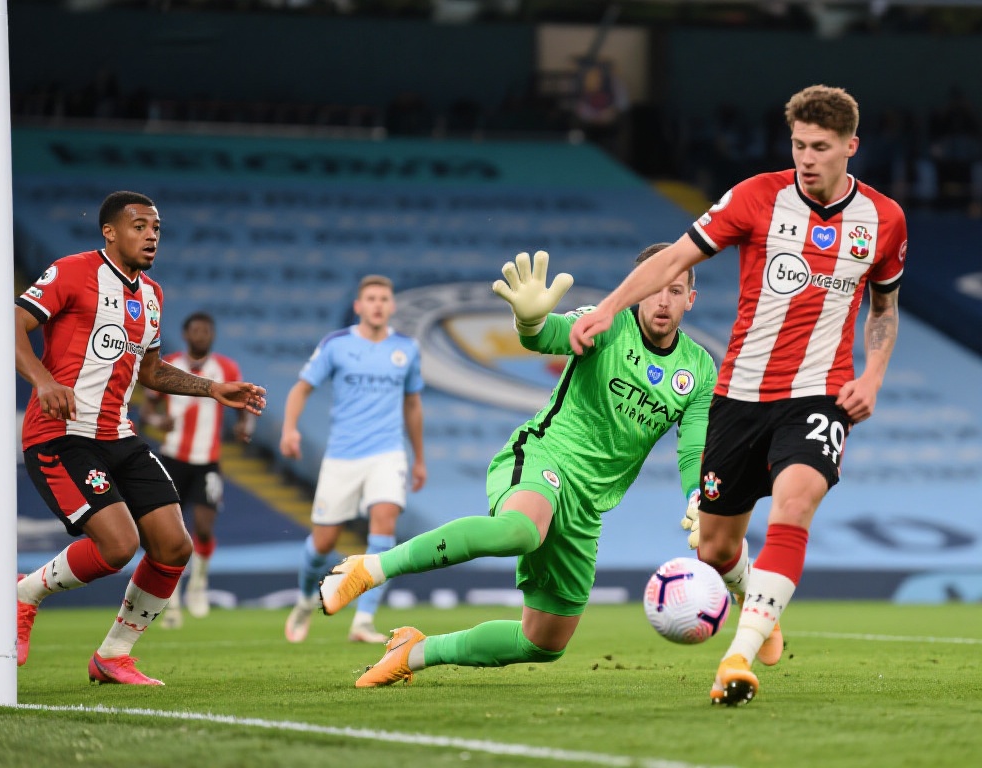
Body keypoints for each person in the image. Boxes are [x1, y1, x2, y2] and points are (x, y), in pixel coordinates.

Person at [569, 85, 907, 705]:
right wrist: (609, 308)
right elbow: (674, 258)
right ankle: (762, 606)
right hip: (740, 395)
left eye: (820, 147)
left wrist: (873, 377)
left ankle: (737, 657)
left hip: (820, 394)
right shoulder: (756, 196)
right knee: (716, 546)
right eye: (799, 145)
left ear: (851, 146)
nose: (807, 157)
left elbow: (883, 309)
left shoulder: (885, 220)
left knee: (795, 503)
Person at [318, 246, 716, 688]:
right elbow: (550, 337)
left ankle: (414, 651)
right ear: (637, 290)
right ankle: (370, 568)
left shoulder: (699, 369)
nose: (663, 300)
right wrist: (531, 323)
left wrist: (697, 496)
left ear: (690, 299)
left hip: (587, 504)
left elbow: (692, 447)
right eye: (654, 288)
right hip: (545, 456)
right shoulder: (608, 323)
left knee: (543, 643)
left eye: (675, 290)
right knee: (521, 530)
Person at [15, 190, 266, 685]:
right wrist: (44, 381)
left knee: (174, 546)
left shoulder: (152, 295)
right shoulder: (72, 271)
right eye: (139, 226)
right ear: (109, 232)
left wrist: (212, 389)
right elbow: (12, 324)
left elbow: (151, 371)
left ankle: (113, 656)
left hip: (119, 435)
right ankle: (24, 594)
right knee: (118, 546)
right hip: (62, 435)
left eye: (156, 228)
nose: (151, 236)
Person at [279, 274, 426, 645]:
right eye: (371, 299)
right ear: (359, 306)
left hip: (388, 454)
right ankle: (304, 599)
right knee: (323, 542)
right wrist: (289, 429)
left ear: (392, 306)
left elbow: (412, 405)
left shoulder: (406, 349)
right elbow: (301, 388)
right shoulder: (336, 345)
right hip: (343, 456)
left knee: (384, 525)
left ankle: (363, 620)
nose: (377, 305)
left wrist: (419, 458)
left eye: (384, 299)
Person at [138, 311, 254, 628]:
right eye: (196, 330)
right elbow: (146, 411)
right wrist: (159, 420)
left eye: (206, 331)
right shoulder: (168, 364)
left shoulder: (226, 368)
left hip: (208, 461)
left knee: (203, 526)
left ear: (212, 336)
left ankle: (199, 584)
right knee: (169, 534)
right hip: (172, 459)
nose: (201, 335)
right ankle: (172, 601)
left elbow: (243, 405)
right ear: (186, 334)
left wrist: (245, 426)